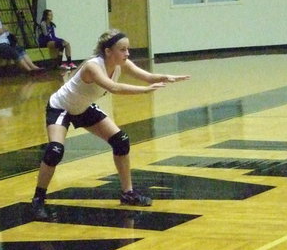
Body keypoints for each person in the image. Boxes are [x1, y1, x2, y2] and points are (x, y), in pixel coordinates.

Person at [30, 29, 190, 219]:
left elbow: (146, 76)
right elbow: (113, 87)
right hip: (61, 108)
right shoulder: (92, 66)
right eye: (122, 50)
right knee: (55, 150)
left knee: (121, 140)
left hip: (83, 108)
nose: (127, 53)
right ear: (108, 51)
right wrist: (145, 91)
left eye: (128, 49)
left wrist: (166, 77)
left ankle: (127, 193)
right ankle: (38, 199)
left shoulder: (121, 63)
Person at [0, 1, 43, 73]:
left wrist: (4, 29)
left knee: (20, 49)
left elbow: (4, 30)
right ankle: (28, 70)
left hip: (4, 43)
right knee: (14, 52)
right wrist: (4, 28)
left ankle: (33, 67)